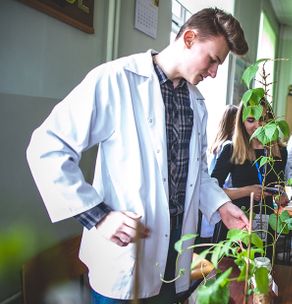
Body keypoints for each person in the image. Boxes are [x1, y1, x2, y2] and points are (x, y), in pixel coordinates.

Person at [26, 8, 250, 303]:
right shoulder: (115, 80)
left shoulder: (196, 102)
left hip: (174, 260)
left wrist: (221, 205)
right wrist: (100, 216)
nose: (214, 72)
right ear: (189, 38)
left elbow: (197, 175)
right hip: (125, 257)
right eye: (212, 60)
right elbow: (46, 146)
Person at [211, 102, 289, 255]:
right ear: (242, 122)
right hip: (236, 222)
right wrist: (248, 191)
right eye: (251, 120)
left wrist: (281, 194)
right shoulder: (231, 150)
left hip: (264, 223)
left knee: (261, 270)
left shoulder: (280, 152)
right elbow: (213, 191)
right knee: (231, 272)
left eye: (263, 119)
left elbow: (279, 184)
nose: (258, 125)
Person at [197, 104, 239, 244]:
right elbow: (218, 180)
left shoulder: (216, 144)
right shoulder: (228, 146)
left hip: (208, 202)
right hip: (218, 201)